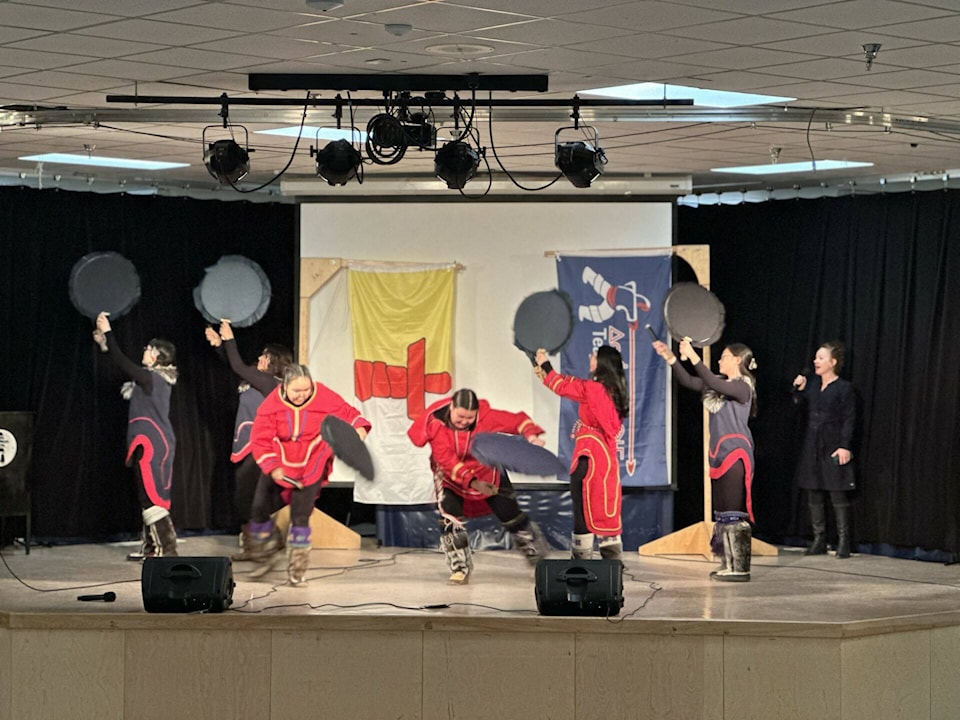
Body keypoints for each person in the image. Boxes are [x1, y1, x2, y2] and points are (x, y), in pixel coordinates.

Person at [407, 388, 551, 584]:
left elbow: (517, 420)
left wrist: (531, 436)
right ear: (451, 407)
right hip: (452, 475)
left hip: (487, 471)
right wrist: (473, 482)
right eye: (460, 416)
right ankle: (459, 566)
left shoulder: (487, 417)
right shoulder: (437, 423)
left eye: (469, 417)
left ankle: (538, 561)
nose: (464, 421)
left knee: (511, 515)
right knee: (450, 516)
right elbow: (446, 460)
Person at [247, 363, 371, 586]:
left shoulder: (323, 396)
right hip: (279, 462)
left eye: (306, 390)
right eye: (297, 391)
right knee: (258, 510)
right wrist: (273, 467)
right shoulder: (271, 406)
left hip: (311, 464)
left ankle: (298, 568)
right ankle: (267, 552)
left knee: (300, 517)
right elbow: (260, 440)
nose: (302, 395)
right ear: (284, 386)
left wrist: (358, 430)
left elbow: (349, 415)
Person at [653, 337, 757, 581]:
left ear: (737, 360)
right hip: (719, 453)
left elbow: (710, 380)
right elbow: (690, 380)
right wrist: (672, 358)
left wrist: (695, 356)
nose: (720, 360)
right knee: (722, 514)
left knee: (734, 513)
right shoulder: (719, 384)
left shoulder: (743, 386)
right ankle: (728, 564)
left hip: (735, 453)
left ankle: (740, 568)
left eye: (724, 357)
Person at [93, 311, 178, 560]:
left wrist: (109, 333)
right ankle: (152, 548)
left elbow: (124, 363)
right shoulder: (148, 380)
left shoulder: (152, 379)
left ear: (155, 355)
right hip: (149, 441)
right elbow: (123, 364)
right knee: (145, 495)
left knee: (151, 495)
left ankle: (168, 549)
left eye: (147, 348)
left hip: (153, 442)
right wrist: (105, 345)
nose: (144, 351)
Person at [205, 320, 292, 561]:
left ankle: (264, 546)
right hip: (247, 447)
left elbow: (238, 366)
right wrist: (220, 345)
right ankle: (256, 547)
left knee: (254, 499)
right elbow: (235, 366)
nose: (260, 358)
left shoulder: (270, 383)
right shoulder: (256, 379)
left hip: (261, 449)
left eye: (265, 356)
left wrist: (230, 339)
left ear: (275, 362)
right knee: (244, 498)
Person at [534, 345, 629, 561]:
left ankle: (581, 564)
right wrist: (544, 368)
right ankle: (611, 567)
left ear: (602, 363)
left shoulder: (594, 389)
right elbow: (567, 383)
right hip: (604, 457)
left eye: (594, 355)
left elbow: (562, 386)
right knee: (601, 503)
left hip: (590, 455)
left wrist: (545, 364)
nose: (590, 356)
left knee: (583, 503)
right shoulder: (609, 391)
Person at [792, 341, 856, 559]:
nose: (815, 361)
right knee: (814, 491)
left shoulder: (844, 388)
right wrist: (798, 390)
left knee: (837, 492)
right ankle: (819, 539)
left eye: (821, 358)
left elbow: (849, 419)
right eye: (816, 358)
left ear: (833, 362)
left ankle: (844, 541)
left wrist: (844, 446)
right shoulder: (812, 386)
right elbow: (798, 406)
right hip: (812, 445)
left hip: (833, 445)